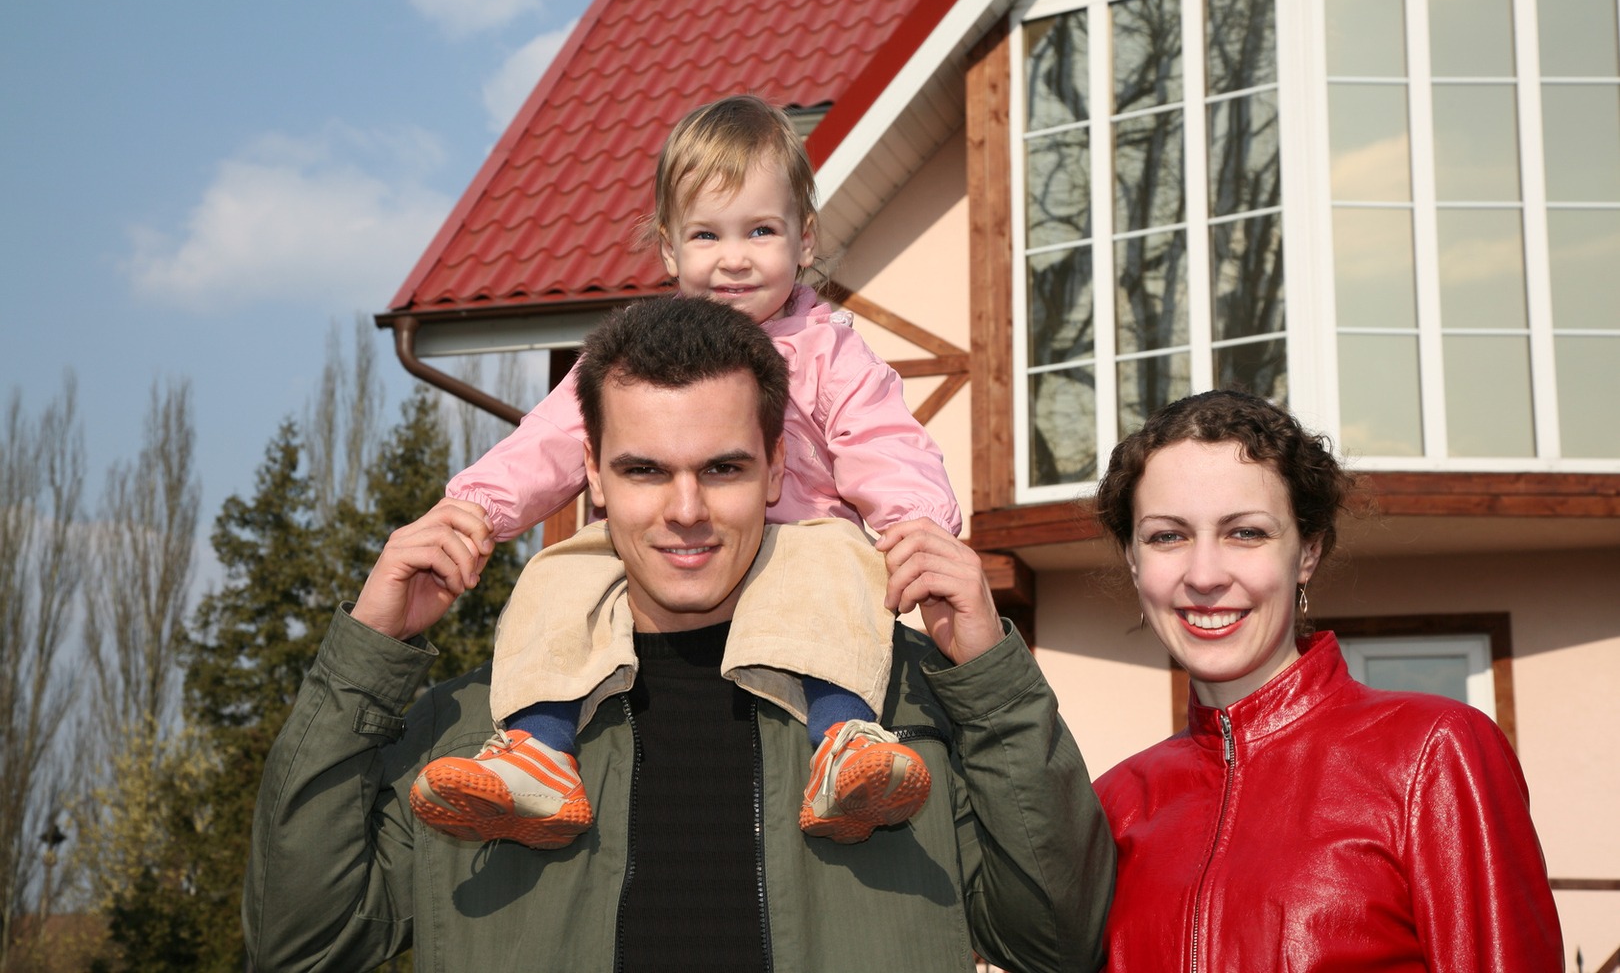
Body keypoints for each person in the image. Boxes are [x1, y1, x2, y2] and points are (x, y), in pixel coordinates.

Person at [243, 296, 1114, 973]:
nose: (686, 512)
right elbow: (303, 949)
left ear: (777, 469)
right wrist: (363, 658)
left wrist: (994, 679)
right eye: (645, 470)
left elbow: (1057, 944)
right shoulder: (487, 733)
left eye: (723, 469)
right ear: (591, 474)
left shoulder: (904, 705)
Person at [413, 94, 963, 850]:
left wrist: (912, 521)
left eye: (760, 231)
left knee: (836, 561)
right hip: (668, 566)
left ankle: (844, 743)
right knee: (558, 571)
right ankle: (540, 751)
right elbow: (550, 436)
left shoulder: (829, 350)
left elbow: (882, 438)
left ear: (805, 241)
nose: (733, 258)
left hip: (791, 545)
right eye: (707, 234)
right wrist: (477, 506)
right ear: (670, 250)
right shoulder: (643, 355)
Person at [1089, 389, 1562, 972]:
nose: (1204, 574)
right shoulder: (1114, 803)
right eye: (1167, 536)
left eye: (1246, 533)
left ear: (1307, 552)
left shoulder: (1433, 753)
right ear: (1134, 560)